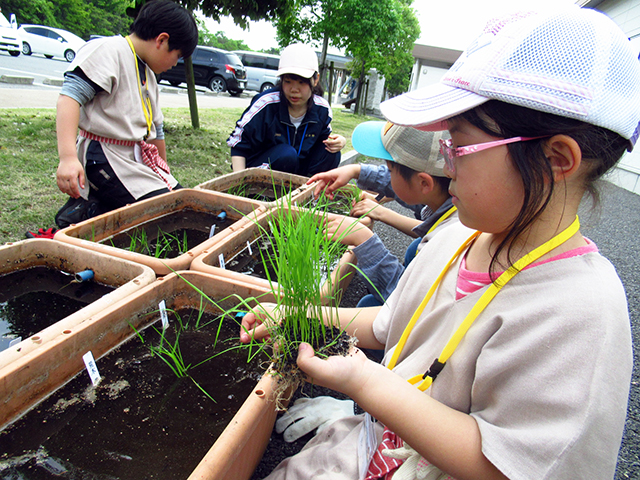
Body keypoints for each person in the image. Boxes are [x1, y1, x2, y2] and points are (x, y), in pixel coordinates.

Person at [240, 6, 636, 479]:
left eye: (457, 145)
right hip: (371, 445)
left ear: (556, 158)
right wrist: (303, 313)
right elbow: (389, 323)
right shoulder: (456, 237)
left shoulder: (582, 315)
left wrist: (363, 381)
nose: (446, 167)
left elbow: (503, 464)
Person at [54, 0, 198, 229]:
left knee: (181, 201)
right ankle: (86, 213)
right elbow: (70, 98)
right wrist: (68, 159)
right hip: (104, 155)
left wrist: (162, 171)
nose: (174, 64)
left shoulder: (148, 72)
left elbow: (155, 130)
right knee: (164, 213)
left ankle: (94, 207)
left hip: (135, 157)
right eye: (177, 55)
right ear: (162, 40)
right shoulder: (108, 50)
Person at [313, 121, 457, 308]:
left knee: (368, 306)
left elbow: (409, 306)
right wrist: (356, 171)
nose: (386, 174)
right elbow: (407, 184)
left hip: (419, 309)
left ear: (424, 183)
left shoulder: (450, 239)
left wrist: (365, 240)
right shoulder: (451, 200)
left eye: (389, 170)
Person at [227, 43, 346, 176]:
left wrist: (340, 141)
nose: (294, 90)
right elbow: (238, 144)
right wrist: (239, 182)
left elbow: (324, 140)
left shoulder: (322, 109)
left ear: (315, 79)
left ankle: (307, 193)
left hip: (299, 170)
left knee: (331, 153)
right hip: (263, 169)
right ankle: (261, 195)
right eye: (288, 81)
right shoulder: (265, 104)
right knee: (287, 155)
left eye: (302, 82)